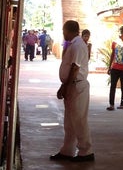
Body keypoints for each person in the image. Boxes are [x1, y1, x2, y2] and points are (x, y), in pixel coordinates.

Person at [50, 20, 94, 162]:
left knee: (79, 120)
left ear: (69, 30)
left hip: (77, 86)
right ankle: (67, 151)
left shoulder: (77, 45)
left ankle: (86, 151)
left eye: (64, 31)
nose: (63, 34)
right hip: (73, 86)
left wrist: (64, 86)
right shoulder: (75, 44)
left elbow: (75, 68)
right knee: (70, 121)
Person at [106, 26, 123, 111]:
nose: (120, 34)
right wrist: (109, 67)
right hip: (115, 68)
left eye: (122, 33)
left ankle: (122, 104)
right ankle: (111, 104)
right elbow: (112, 54)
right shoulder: (115, 43)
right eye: (119, 33)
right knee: (112, 86)